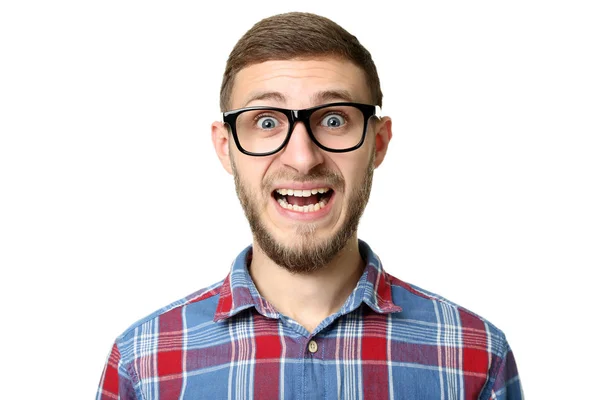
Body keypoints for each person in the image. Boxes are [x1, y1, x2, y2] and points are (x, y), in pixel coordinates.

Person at [96, 11, 523, 400]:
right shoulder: (142, 365)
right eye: (266, 122)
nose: (302, 158)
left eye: (333, 119)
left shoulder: (477, 359)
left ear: (378, 142)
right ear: (226, 149)